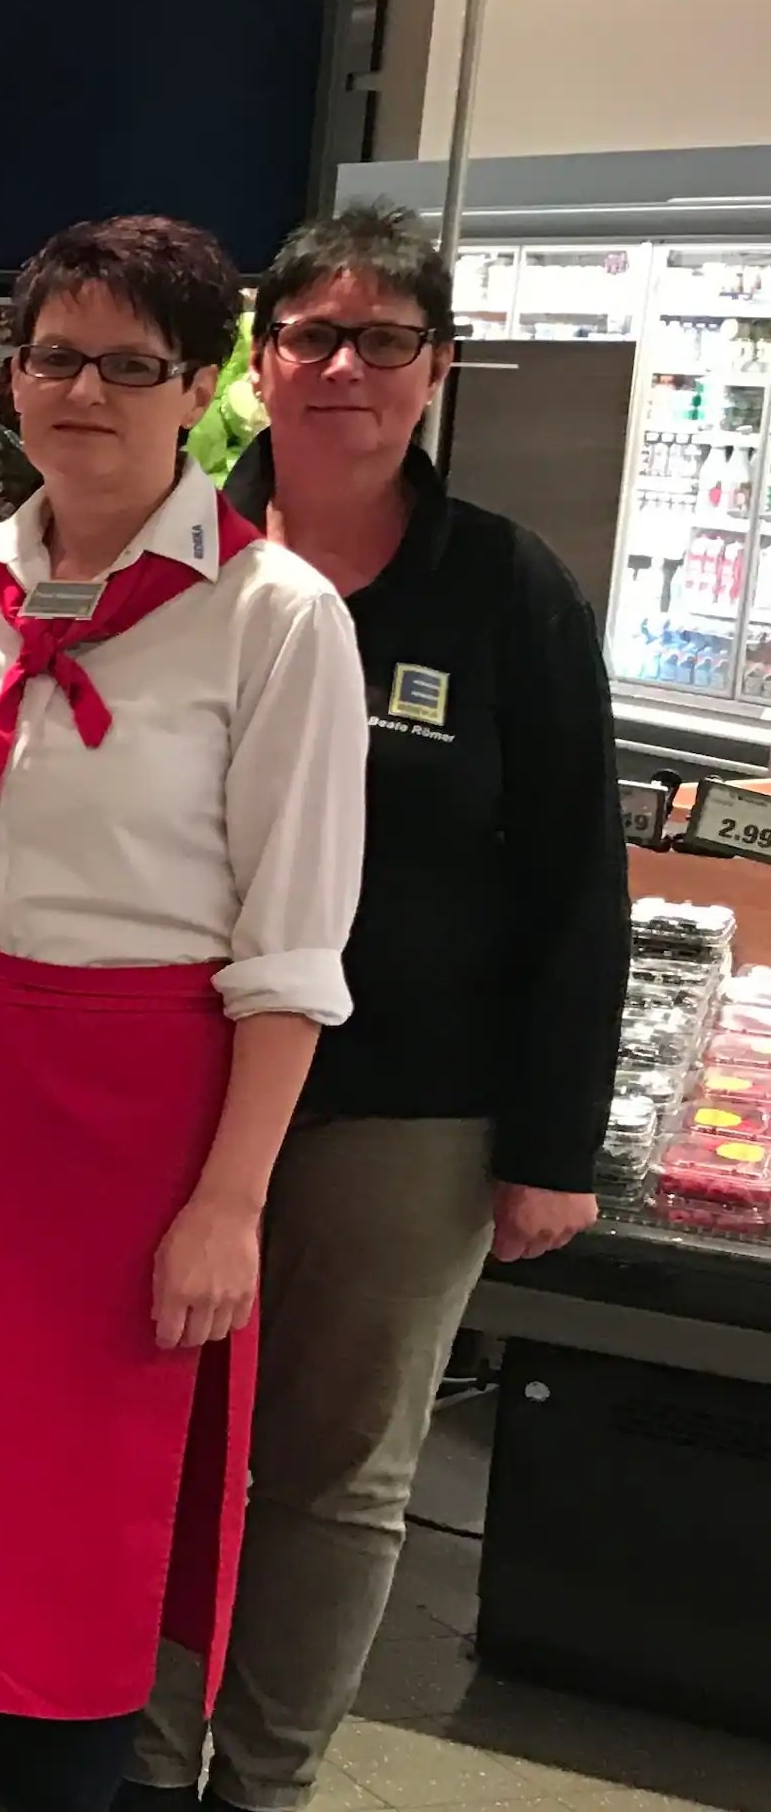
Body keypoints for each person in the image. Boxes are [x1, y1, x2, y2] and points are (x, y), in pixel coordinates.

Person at [0, 216, 369, 1812]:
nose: (84, 394)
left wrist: (227, 1206)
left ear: (199, 390)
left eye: (130, 365)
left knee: (73, 1542)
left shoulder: (278, 618)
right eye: (55, 358)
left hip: (128, 1129)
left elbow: (292, 950)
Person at [128, 205, 624, 1812]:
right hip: (171, 1085)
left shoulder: (507, 593)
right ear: (257, 366)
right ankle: (130, 1756)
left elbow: (576, 880)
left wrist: (552, 1145)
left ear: (440, 369)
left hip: (410, 1110)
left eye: (386, 340)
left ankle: (259, 1780)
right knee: (152, 1436)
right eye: (313, 336)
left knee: (339, 1474)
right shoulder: (170, 558)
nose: (345, 368)